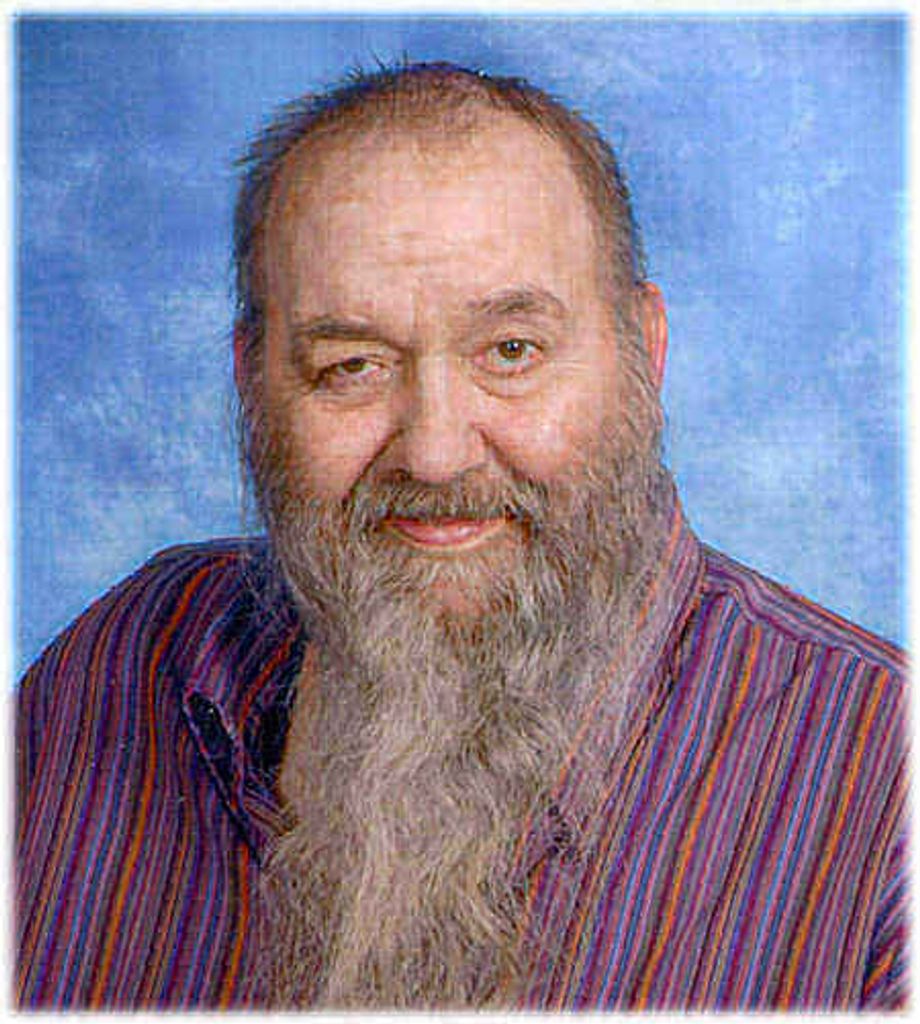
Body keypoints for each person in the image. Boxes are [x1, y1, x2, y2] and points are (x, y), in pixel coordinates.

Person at [16, 62, 906, 1010]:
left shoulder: (885, 789)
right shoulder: (120, 662)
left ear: (643, 351)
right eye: (351, 365)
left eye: (511, 352)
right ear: (251, 384)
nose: (436, 455)